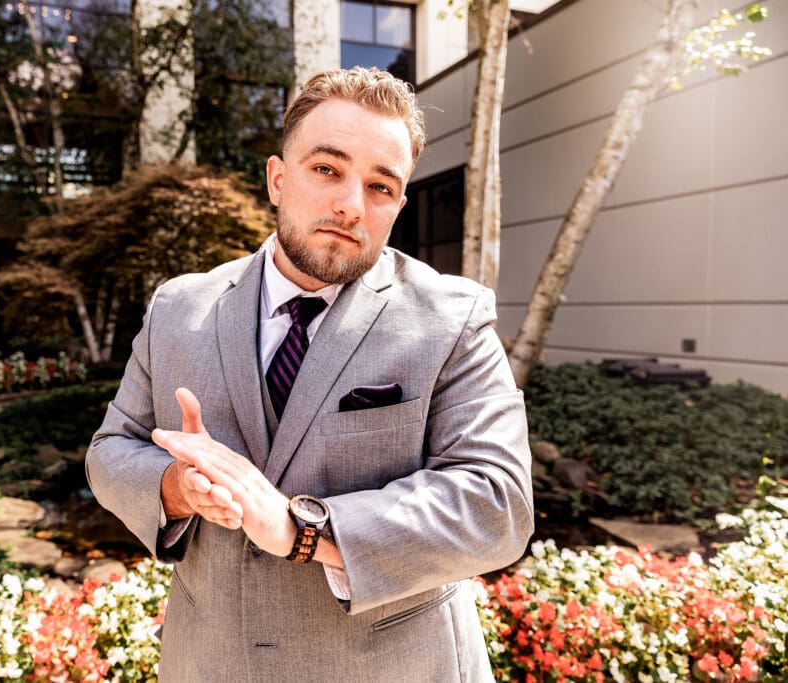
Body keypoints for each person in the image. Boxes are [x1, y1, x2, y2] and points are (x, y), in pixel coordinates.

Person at [86, 66, 533, 682]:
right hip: (211, 664)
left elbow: (496, 505)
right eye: (327, 169)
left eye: (380, 186)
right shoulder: (177, 308)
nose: (351, 204)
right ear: (277, 178)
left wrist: (301, 529)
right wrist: (174, 488)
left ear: (398, 205)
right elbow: (111, 451)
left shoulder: (454, 320)